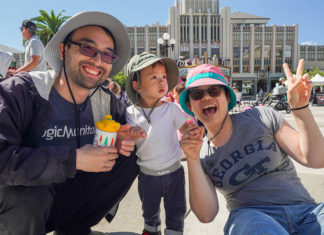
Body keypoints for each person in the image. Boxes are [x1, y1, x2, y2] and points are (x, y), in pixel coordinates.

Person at [0, 11, 146, 235]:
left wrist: (120, 141)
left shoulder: (107, 102)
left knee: (129, 159)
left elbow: (123, 141)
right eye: (87, 48)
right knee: (27, 193)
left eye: (107, 55)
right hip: (19, 210)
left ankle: (74, 229)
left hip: (68, 200)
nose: (98, 60)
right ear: (63, 48)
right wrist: (74, 159)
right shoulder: (21, 92)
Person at [179, 61, 324, 235]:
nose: (206, 97)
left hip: (307, 214)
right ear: (189, 106)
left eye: (214, 90)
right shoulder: (202, 154)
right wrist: (192, 158)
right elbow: (206, 214)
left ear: (227, 97)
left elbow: (316, 159)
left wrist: (300, 109)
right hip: (252, 219)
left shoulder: (261, 117)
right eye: (197, 94)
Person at [125, 52, 188, 235]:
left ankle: (175, 231)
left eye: (164, 77)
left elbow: (185, 128)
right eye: (154, 77)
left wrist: (192, 132)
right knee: (149, 211)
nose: (162, 82)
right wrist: (132, 133)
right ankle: (151, 230)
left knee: (176, 210)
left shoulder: (171, 109)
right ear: (137, 85)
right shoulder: (131, 113)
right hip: (147, 175)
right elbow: (127, 137)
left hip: (174, 171)